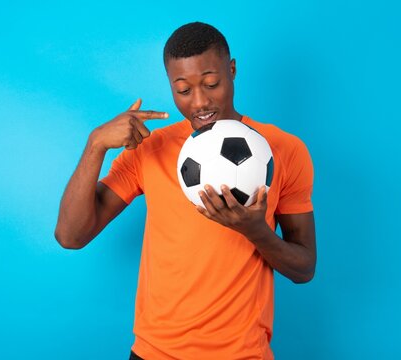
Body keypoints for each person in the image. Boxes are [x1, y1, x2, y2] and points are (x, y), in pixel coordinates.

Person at [55, 22, 316, 360]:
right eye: (183, 90)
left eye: (212, 84)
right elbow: (70, 236)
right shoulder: (149, 148)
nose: (200, 102)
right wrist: (96, 146)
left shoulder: (284, 149)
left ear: (232, 70)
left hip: (242, 354)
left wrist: (255, 232)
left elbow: (304, 268)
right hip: (155, 353)